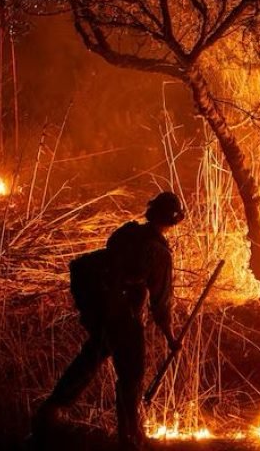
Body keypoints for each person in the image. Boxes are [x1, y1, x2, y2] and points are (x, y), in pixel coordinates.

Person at [32, 191, 184, 450]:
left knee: (90, 359)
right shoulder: (158, 252)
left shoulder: (128, 233)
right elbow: (162, 302)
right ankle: (130, 435)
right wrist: (171, 337)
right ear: (174, 220)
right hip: (124, 316)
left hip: (102, 311)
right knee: (132, 374)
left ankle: (50, 412)